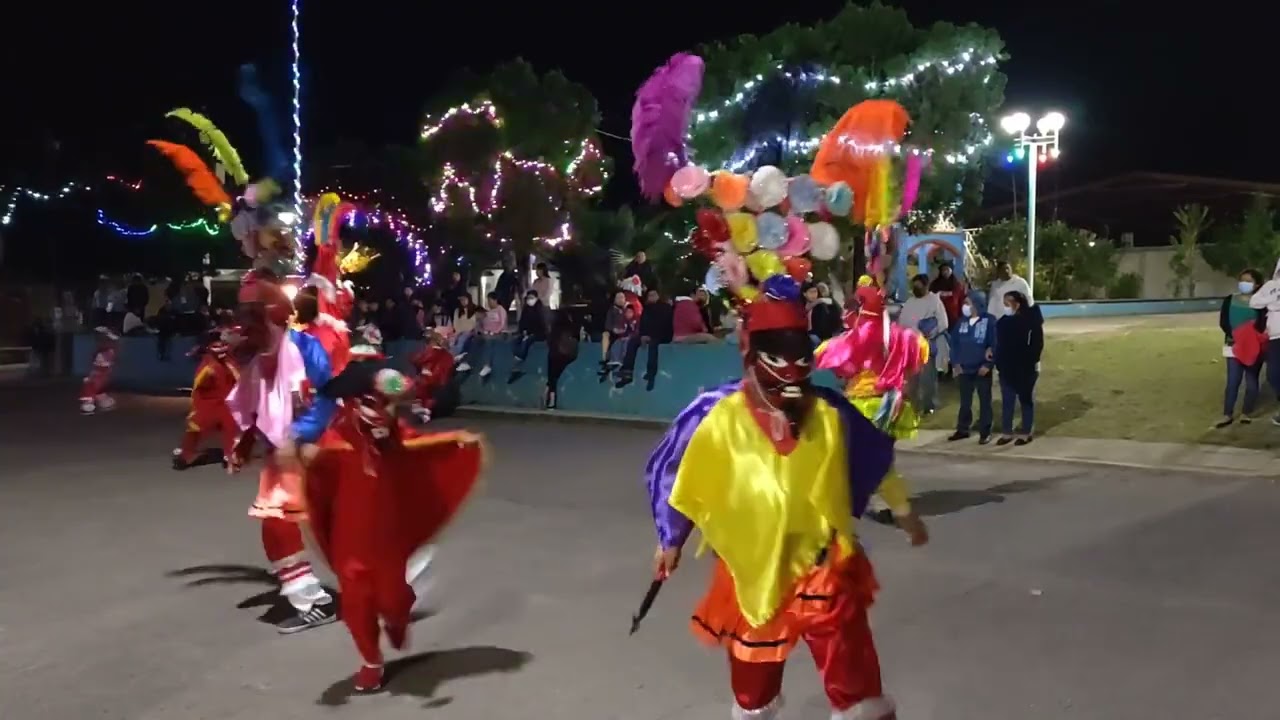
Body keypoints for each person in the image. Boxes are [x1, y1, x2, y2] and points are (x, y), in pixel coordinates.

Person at [645, 293, 928, 720]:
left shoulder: (830, 414)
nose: (790, 374)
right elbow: (684, 479)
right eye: (777, 358)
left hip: (822, 567)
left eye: (799, 357)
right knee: (752, 689)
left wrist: (904, 513)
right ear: (752, 355)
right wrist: (671, 539)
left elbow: (874, 462)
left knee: (854, 681)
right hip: (752, 572)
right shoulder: (718, 417)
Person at [300, 349, 487, 692]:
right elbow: (318, 484)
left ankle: (398, 619)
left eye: (387, 405)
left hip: (388, 535)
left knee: (393, 599)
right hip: (349, 537)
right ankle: (371, 661)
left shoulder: (396, 433)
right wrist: (308, 459)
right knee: (356, 602)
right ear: (354, 402)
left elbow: (419, 440)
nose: (383, 412)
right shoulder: (336, 439)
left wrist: (455, 442)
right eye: (373, 403)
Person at [224, 269, 338, 634]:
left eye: (252, 317)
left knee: (337, 525)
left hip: (317, 450)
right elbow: (253, 403)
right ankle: (313, 599)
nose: (245, 328)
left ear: (272, 315)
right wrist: (244, 443)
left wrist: (299, 435)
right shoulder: (259, 359)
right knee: (277, 525)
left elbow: (327, 398)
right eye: (244, 317)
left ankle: (385, 577)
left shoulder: (305, 349)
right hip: (283, 457)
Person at [816, 280, 931, 524]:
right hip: (893, 403)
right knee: (882, 453)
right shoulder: (903, 336)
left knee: (863, 455)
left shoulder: (855, 337)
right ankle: (887, 501)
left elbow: (833, 363)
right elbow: (916, 361)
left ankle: (880, 502)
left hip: (864, 404)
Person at [172, 328, 239, 470]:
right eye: (216, 346)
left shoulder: (231, 361)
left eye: (223, 345)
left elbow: (240, 380)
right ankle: (185, 455)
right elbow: (197, 388)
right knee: (196, 428)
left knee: (231, 427)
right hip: (208, 404)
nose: (221, 349)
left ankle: (230, 455)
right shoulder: (207, 366)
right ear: (209, 348)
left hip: (228, 403)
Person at [1219, 269, 1268, 427]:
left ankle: (1246, 412)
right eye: (1242, 280)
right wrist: (1235, 335)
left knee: (1252, 382)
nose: (1244, 284)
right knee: (1233, 381)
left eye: (1248, 281)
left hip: (1253, 347)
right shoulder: (1230, 300)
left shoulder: (1260, 303)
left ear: (1257, 284)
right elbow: (1223, 321)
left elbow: (1262, 324)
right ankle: (1227, 414)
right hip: (1233, 345)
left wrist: (1250, 338)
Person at [994, 291, 1044, 445]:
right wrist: (998, 362)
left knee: (1025, 401)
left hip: (1025, 369)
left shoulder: (1031, 321)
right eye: (1004, 303)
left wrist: (1030, 362)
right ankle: (1007, 432)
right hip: (1006, 368)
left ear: (1017, 303)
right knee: (1007, 401)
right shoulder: (1002, 323)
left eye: (1007, 303)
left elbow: (1037, 344)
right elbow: (999, 345)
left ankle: (1026, 432)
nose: (1005, 306)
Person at [948, 290, 996, 444]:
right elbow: (954, 344)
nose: (965, 306)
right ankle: (963, 429)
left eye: (967, 303)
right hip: (964, 369)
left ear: (976, 304)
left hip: (982, 369)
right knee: (965, 402)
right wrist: (955, 363)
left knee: (984, 401)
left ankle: (985, 432)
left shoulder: (989, 321)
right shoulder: (961, 322)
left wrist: (988, 365)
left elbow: (995, 344)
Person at [897, 273, 949, 414]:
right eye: (914, 287)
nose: (916, 289)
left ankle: (929, 405)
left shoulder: (934, 301)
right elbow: (902, 323)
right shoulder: (910, 302)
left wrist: (931, 333)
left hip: (926, 344)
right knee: (912, 379)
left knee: (928, 378)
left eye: (919, 287)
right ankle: (913, 406)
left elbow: (943, 323)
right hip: (910, 346)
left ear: (926, 286)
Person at [620, 288, 672, 388]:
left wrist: (651, 335)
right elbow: (643, 325)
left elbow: (665, 324)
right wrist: (643, 335)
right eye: (650, 295)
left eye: (654, 295)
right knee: (632, 342)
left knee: (653, 345)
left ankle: (651, 373)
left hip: (662, 336)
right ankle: (627, 372)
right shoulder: (646, 309)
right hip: (647, 335)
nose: (652, 297)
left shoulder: (665, 308)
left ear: (658, 296)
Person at [411, 327, 456, 422]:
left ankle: (424, 409)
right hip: (436, 383)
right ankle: (423, 409)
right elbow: (417, 360)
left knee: (424, 387)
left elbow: (417, 360)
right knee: (423, 386)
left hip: (436, 384)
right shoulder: (442, 354)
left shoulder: (438, 353)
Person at [928, 261, 966, 376]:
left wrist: (962, 318)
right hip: (938, 319)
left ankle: (952, 367)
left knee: (952, 344)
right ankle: (940, 369)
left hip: (953, 319)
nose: (945, 272)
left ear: (951, 270)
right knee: (940, 345)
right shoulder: (935, 284)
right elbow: (930, 297)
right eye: (943, 270)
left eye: (947, 270)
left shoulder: (957, 285)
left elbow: (960, 300)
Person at [79, 326, 119, 415]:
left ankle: (90, 404)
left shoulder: (108, 351)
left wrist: (93, 375)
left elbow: (103, 366)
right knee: (96, 387)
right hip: (100, 374)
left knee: (91, 385)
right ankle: (104, 402)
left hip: (100, 375)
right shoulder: (103, 351)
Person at [510, 290, 549, 381]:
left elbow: (543, 325)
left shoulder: (541, 309)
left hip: (539, 334)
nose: (530, 300)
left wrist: (531, 334)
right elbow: (522, 322)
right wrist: (524, 331)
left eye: (532, 298)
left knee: (527, 341)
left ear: (536, 298)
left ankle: (520, 358)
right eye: (528, 298)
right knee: (515, 340)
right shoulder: (526, 309)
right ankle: (517, 356)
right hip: (527, 332)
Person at [545, 309, 580, 409]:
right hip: (567, 356)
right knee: (555, 377)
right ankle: (549, 395)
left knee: (552, 378)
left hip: (554, 355)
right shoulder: (571, 327)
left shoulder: (554, 329)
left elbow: (549, 342)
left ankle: (550, 398)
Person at [476, 292, 508, 379]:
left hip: (500, 333)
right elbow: (483, 324)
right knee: (475, 340)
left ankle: (487, 365)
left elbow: (502, 324)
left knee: (489, 341)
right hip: (487, 333)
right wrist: (482, 330)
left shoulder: (501, 310)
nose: (489, 303)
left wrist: (494, 332)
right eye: (488, 301)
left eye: (490, 300)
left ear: (495, 300)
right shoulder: (488, 312)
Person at [451, 294, 481, 371]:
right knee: (452, 341)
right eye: (461, 300)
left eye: (464, 299)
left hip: (470, 331)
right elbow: (456, 323)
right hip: (459, 331)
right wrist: (457, 333)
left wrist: (472, 331)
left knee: (462, 339)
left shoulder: (475, 309)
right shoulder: (457, 311)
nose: (462, 302)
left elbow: (476, 323)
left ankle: (455, 358)